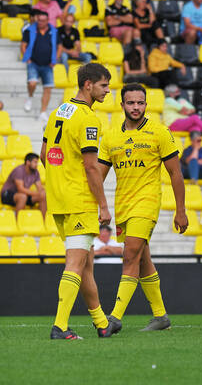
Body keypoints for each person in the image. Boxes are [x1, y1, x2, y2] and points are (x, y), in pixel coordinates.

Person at [98, 83, 187, 333]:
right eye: (131, 102)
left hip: (147, 202)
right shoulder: (111, 136)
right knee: (142, 259)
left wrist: (181, 210)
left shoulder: (160, 132)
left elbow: (175, 174)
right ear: (122, 104)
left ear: (146, 104)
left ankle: (114, 318)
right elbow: (99, 175)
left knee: (130, 255)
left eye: (140, 102)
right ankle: (161, 316)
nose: (136, 107)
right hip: (123, 204)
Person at [40, 63, 117, 339]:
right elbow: (91, 166)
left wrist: (60, 178)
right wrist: (104, 205)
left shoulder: (58, 111)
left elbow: (44, 153)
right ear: (88, 85)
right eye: (104, 86)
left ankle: (101, 322)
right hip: (79, 200)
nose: (107, 91)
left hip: (59, 198)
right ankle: (60, 326)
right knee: (75, 263)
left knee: (85, 264)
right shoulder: (88, 118)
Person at [21, 10, 57, 122]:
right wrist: (28, 59)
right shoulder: (30, 30)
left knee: (48, 88)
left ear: (47, 20)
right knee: (32, 83)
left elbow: (59, 46)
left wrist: (55, 59)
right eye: (39, 20)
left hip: (48, 65)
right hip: (34, 63)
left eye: (43, 20)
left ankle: (43, 111)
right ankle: (30, 97)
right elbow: (23, 45)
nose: (40, 22)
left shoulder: (54, 31)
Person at [1, 153, 46, 217]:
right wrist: (37, 193)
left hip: (23, 194)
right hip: (7, 194)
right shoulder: (19, 170)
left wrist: (42, 192)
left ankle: (42, 222)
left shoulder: (35, 172)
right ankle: (19, 223)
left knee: (43, 195)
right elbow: (20, 189)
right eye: (35, 162)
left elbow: (40, 188)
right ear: (28, 162)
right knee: (22, 197)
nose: (37, 164)